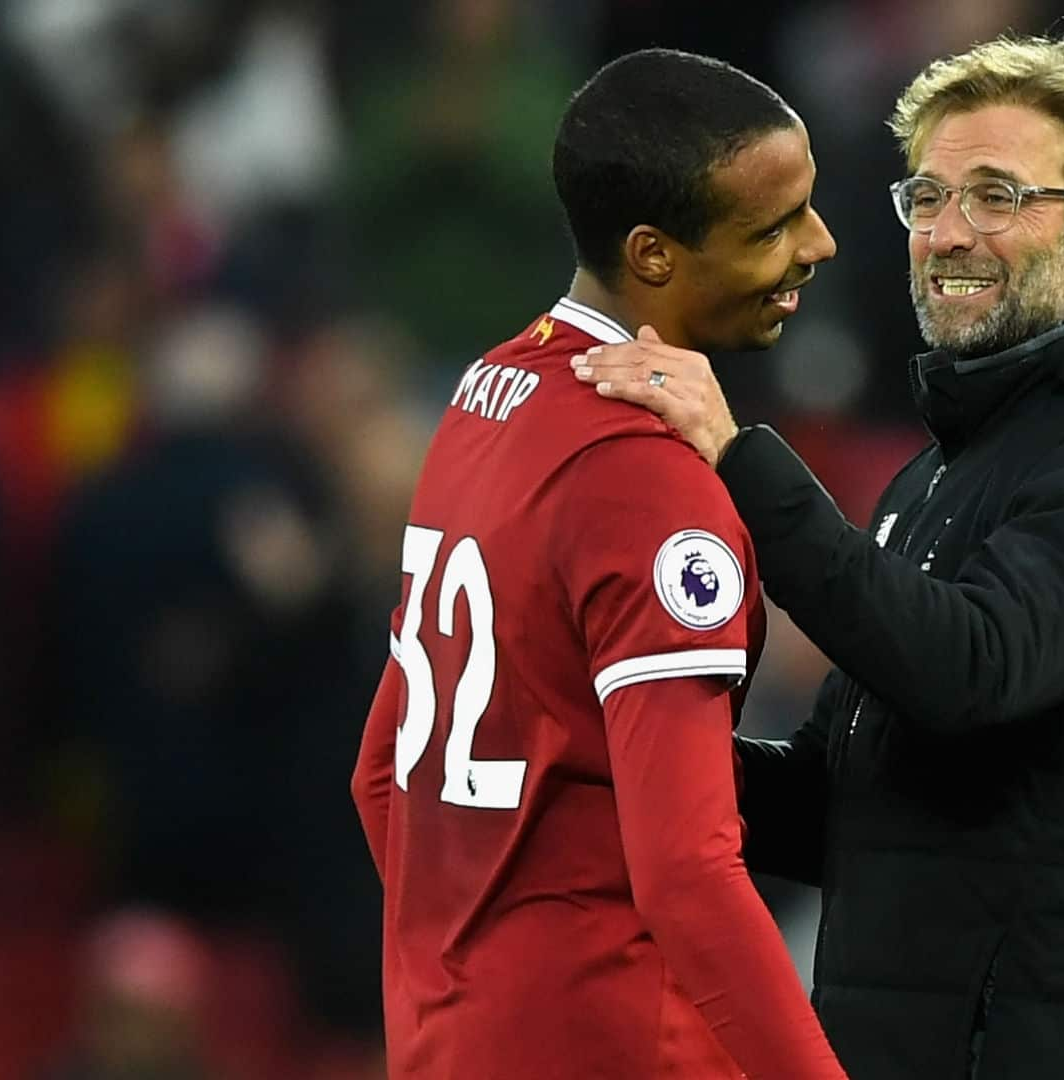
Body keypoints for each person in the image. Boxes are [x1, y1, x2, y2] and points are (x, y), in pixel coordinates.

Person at [573, 34, 1064, 1078]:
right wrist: (603, 734)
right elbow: (840, 804)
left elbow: (972, 668)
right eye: (927, 196)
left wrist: (742, 463)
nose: (948, 233)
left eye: (997, 196)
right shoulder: (941, 477)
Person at [348, 49, 845, 1079]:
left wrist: (474, 975)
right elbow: (688, 878)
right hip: (616, 1039)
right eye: (774, 227)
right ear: (655, 255)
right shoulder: (646, 475)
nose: (819, 245)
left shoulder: (487, 395)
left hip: (448, 1037)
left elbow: (382, 777)